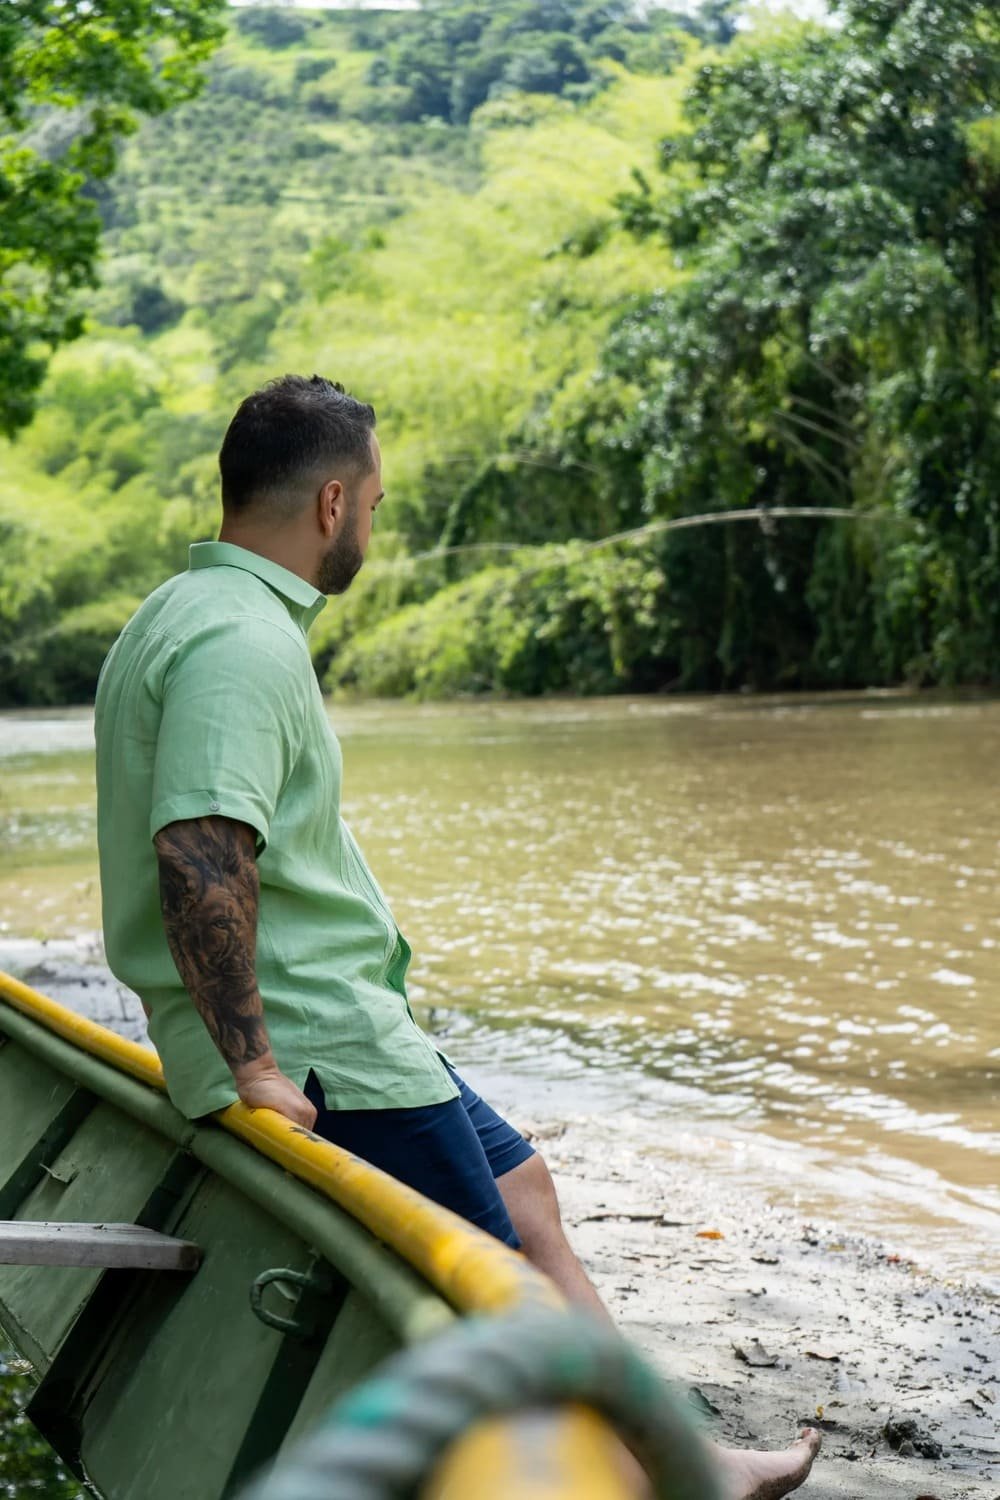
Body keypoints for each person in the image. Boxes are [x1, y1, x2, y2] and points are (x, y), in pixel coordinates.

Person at [94, 374, 819, 1500]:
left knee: (526, 1191)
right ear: (333, 503)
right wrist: (255, 1067)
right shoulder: (243, 643)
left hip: (355, 1029)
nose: (375, 528)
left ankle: (690, 1460)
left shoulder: (181, 612)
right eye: (376, 505)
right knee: (501, 1315)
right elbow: (202, 852)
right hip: (327, 1047)